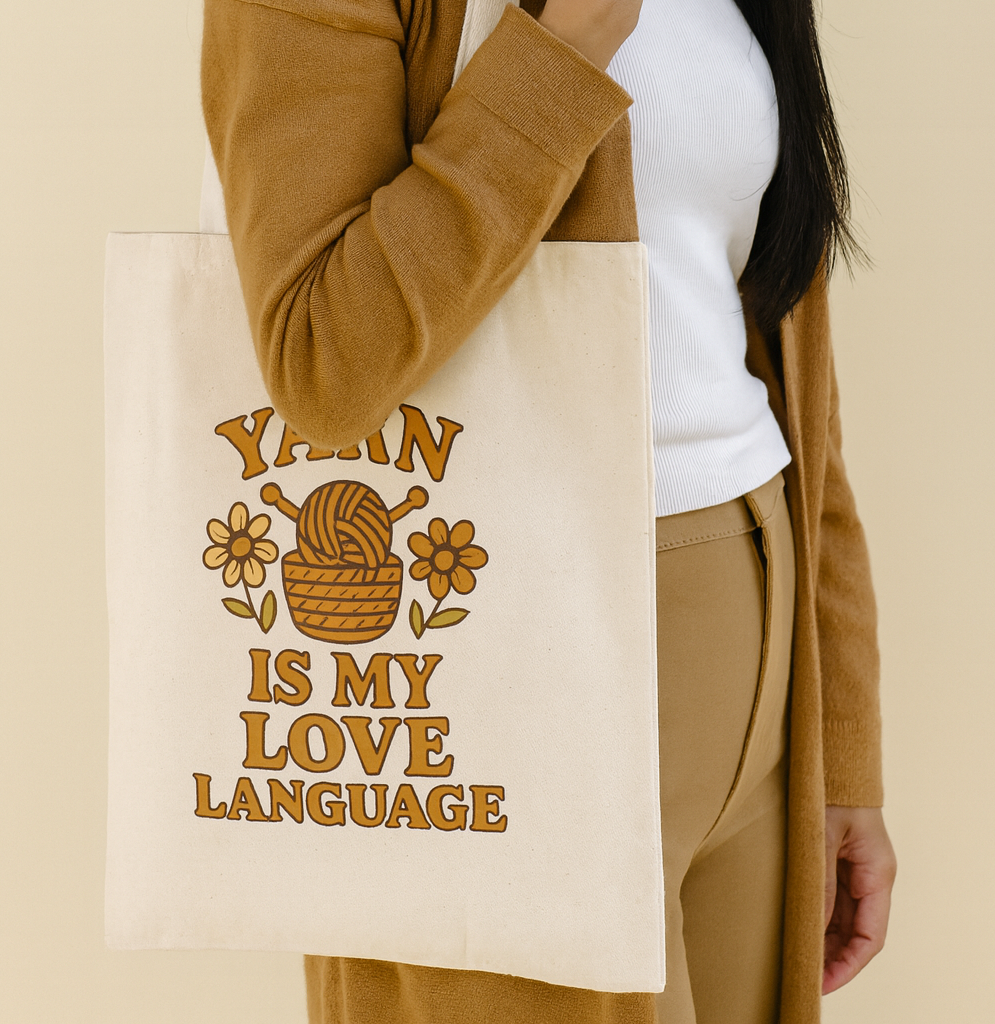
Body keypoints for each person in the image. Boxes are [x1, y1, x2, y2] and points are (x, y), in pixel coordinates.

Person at [200, 0, 897, 1020]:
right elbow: (322, 361)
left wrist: (842, 748)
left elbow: (779, 350)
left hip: (754, 614)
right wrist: (561, 51)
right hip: (506, 638)